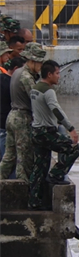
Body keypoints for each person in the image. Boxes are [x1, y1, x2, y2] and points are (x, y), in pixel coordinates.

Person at [28, 59, 79, 209]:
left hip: (36, 132)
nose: (59, 76)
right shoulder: (48, 90)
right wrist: (70, 128)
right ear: (49, 74)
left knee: (39, 168)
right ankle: (57, 175)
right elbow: (56, 110)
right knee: (74, 148)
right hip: (46, 132)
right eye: (57, 73)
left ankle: (34, 201)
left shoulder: (35, 88)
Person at [0, 42, 45, 181]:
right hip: (22, 119)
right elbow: (36, 100)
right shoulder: (26, 77)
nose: (41, 67)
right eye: (39, 63)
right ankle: (22, 190)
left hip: (12, 117)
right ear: (32, 61)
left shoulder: (17, 72)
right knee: (23, 158)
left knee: (8, 157)